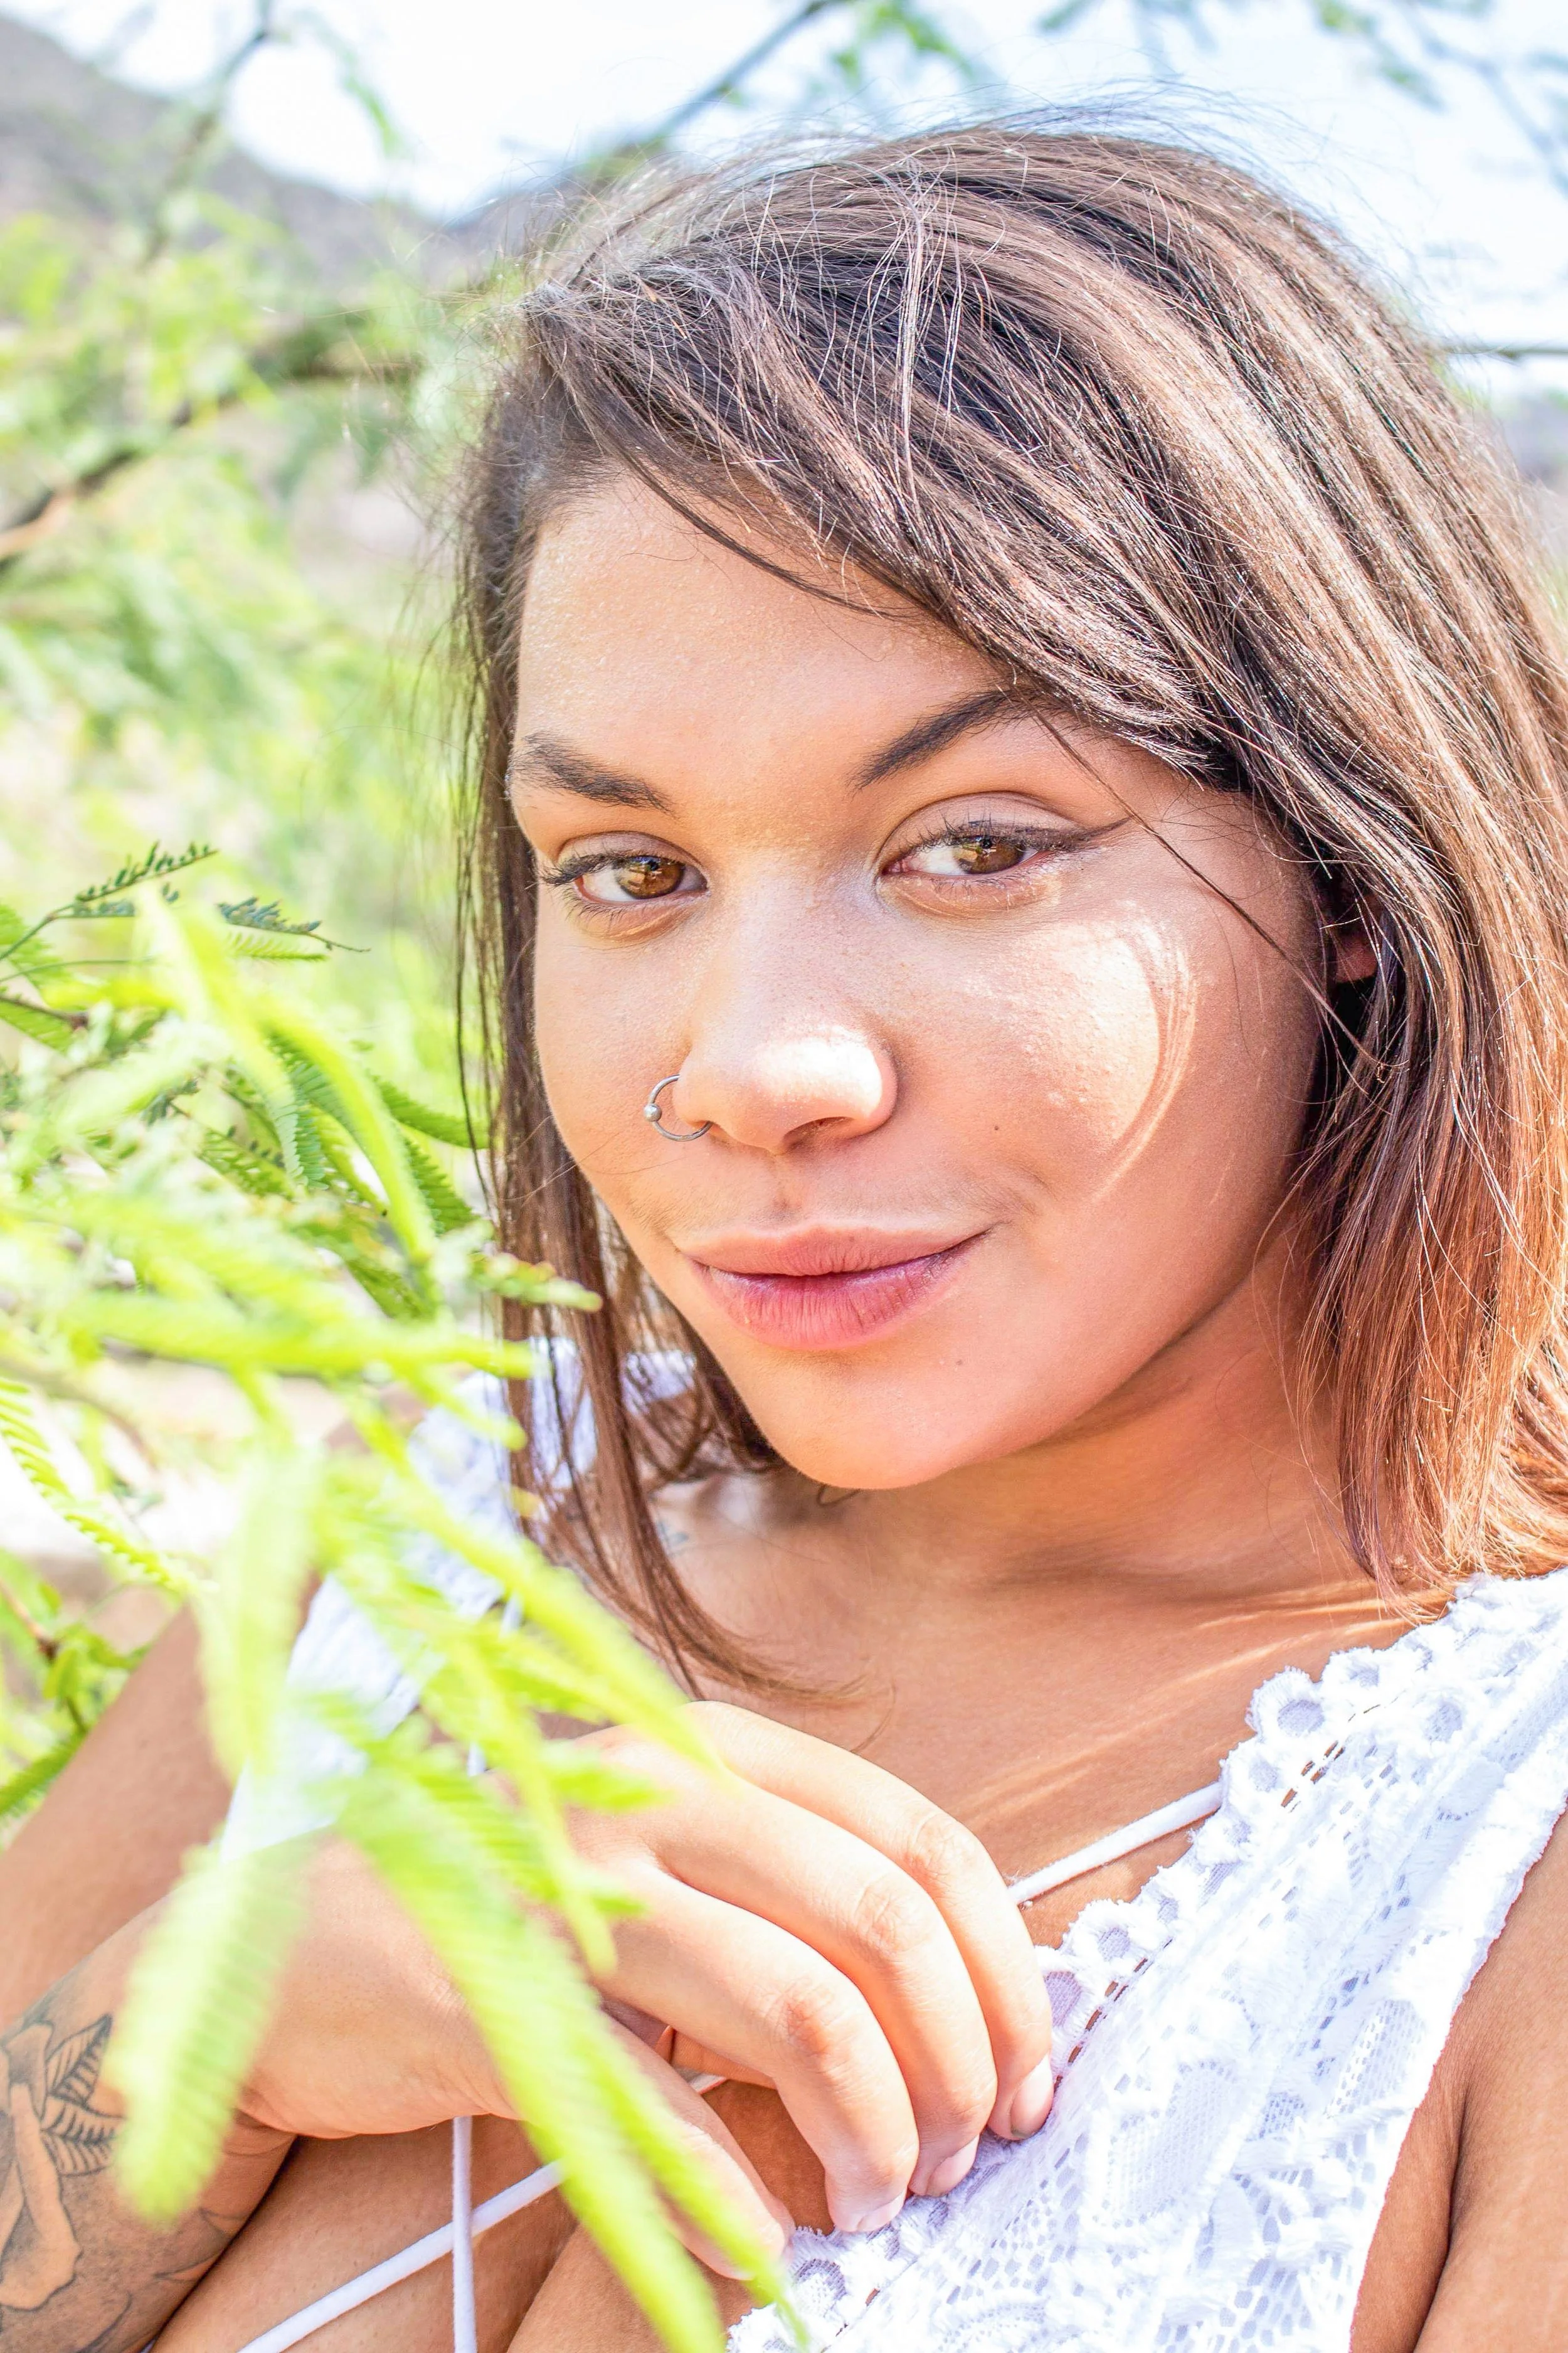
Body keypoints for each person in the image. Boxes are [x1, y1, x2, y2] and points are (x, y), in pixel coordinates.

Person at [6, 115, 1568, 2352]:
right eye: (628, 871)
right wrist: (201, 2025)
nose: (753, 1066)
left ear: (1345, 859)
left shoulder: (1502, 1842)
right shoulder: (417, 1541)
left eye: (971, 844)